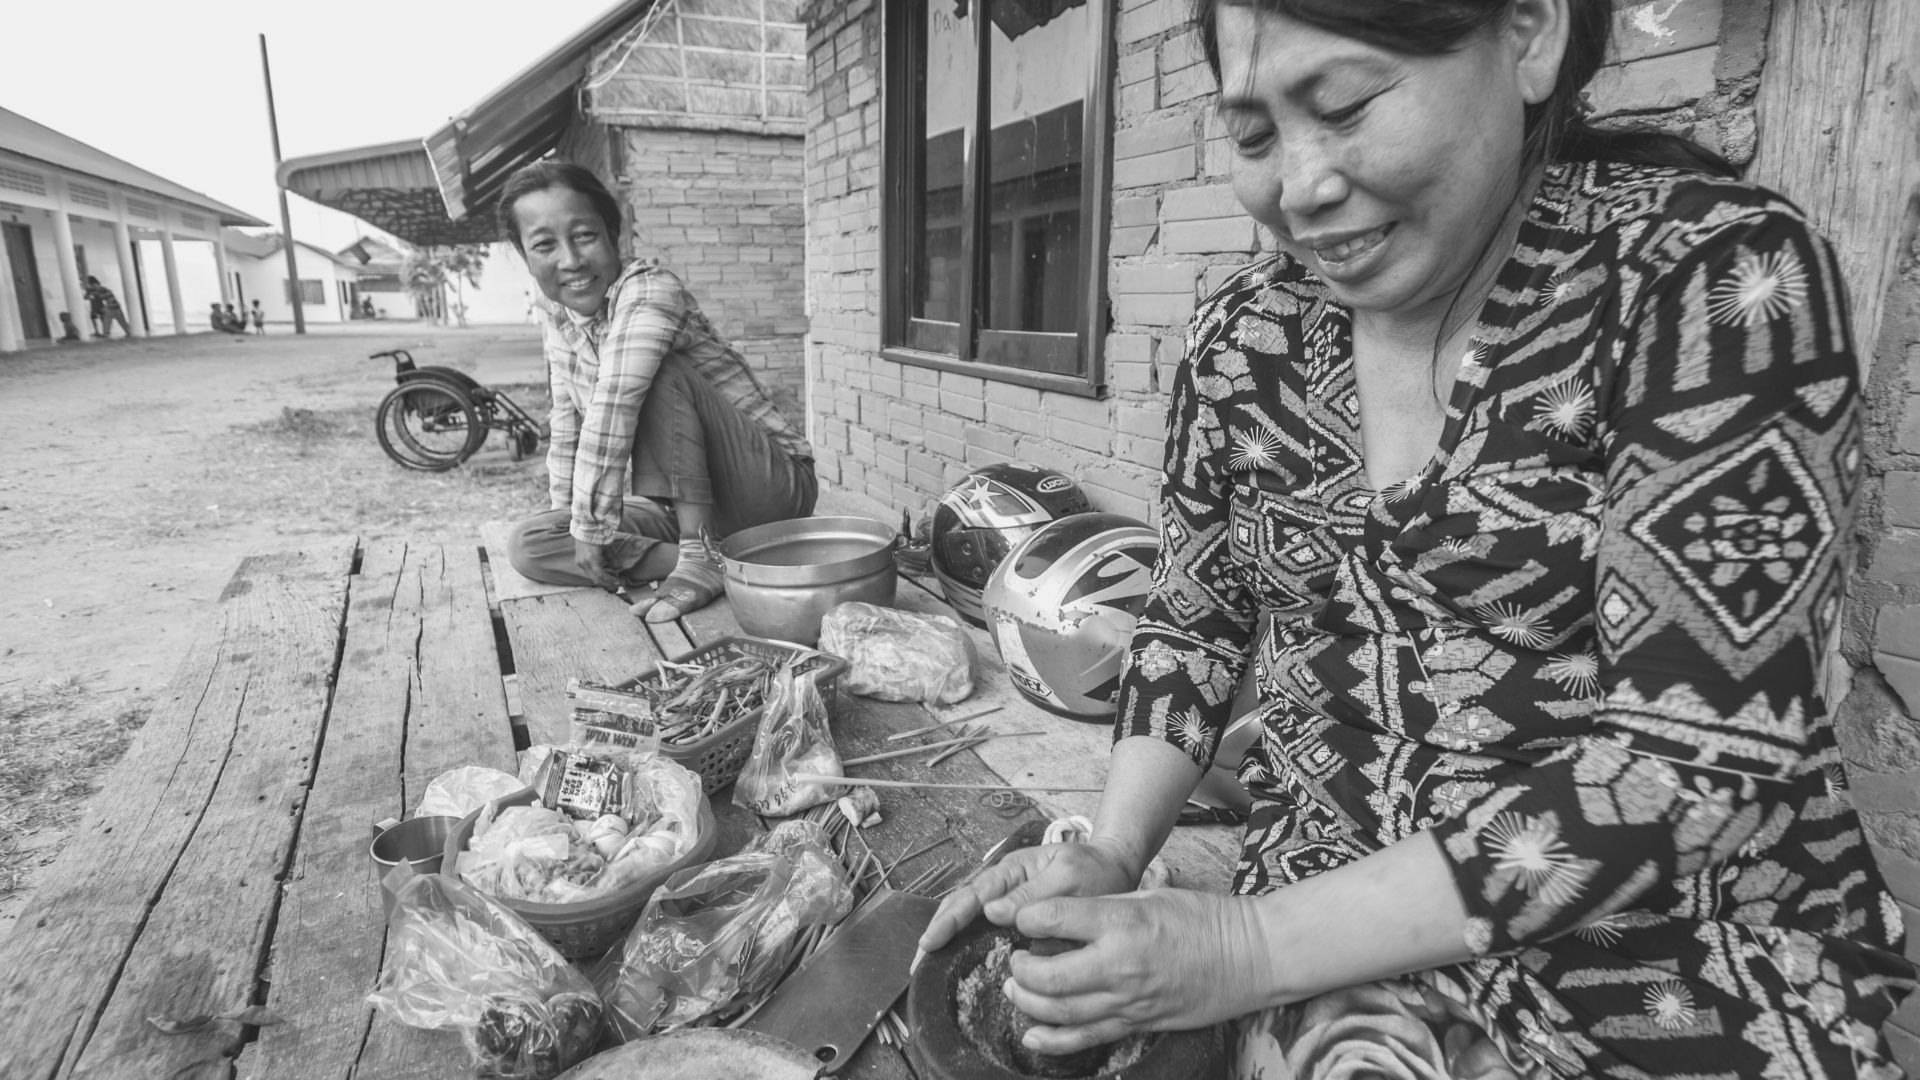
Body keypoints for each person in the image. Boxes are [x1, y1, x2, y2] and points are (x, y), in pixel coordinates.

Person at [917, 2, 1916, 1078]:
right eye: (1253, 135)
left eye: (1344, 107)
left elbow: (1688, 766)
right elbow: (1194, 624)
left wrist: (1244, 947)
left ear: (1529, 36)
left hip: (1668, 960)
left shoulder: (1713, 280)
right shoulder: (1243, 339)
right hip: (1329, 927)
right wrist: (1114, 850)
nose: (1298, 189)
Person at [499, 160, 816, 623]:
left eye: (585, 236)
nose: (570, 260)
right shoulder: (557, 318)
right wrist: (572, 530)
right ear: (526, 257)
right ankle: (726, 562)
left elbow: (616, 398)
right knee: (529, 544)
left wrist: (591, 527)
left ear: (613, 236)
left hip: (768, 488)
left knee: (655, 371)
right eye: (544, 245)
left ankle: (700, 553)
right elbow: (567, 428)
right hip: (684, 503)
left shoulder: (649, 290)